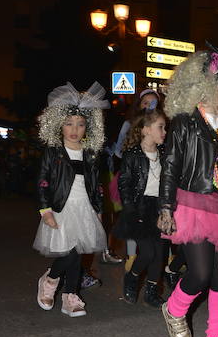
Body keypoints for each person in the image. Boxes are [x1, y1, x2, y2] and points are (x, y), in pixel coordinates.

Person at [158, 46, 218, 337]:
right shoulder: (186, 121)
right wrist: (165, 208)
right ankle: (175, 308)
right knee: (202, 272)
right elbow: (170, 166)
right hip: (192, 204)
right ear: (214, 84)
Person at [34, 82, 110, 318]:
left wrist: (98, 209)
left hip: (84, 208)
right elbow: (43, 181)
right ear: (59, 125)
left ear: (88, 127)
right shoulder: (53, 151)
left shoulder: (90, 153)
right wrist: (44, 210)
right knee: (69, 253)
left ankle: (70, 296)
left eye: (80, 124)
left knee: (77, 253)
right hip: (60, 208)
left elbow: (96, 185)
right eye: (69, 123)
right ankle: (50, 280)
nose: (74, 129)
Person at [115, 108, 167, 308]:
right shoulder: (133, 155)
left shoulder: (164, 153)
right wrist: (130, 210)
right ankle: (132, 276)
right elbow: (125, 184)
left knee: (159, 252)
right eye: (160, 127)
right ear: (146, 130)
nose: (164, 132)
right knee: (147, 252)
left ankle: (152, 291)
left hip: (159, 208)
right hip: (139, 207)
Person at [113, 88, 162, 269]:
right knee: (134, 217)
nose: (149, 106)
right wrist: (133, 154)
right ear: (139, 105)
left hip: (154, 178)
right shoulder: (130, 124)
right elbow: (119, 150)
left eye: (153, 103)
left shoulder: (161, 125)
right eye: (145, 103)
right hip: (135, 176)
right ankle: (132, 256)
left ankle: (164, 258)